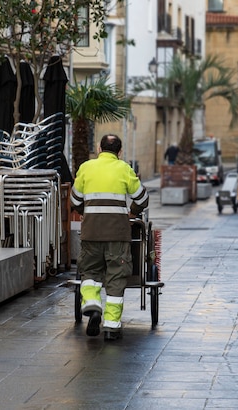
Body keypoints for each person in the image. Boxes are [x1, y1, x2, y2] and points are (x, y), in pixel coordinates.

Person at [70, 134, 149, 340]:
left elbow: (74, 199)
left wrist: (86, 211)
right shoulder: (124, 169)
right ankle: (112, 327)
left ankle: (92, 305)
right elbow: (143, 198)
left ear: (99, 149)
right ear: (120, 152)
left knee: (90, 271)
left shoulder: (86, 168)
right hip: (118, 234)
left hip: (91, 232)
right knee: (116, 277)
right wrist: (131, 213)